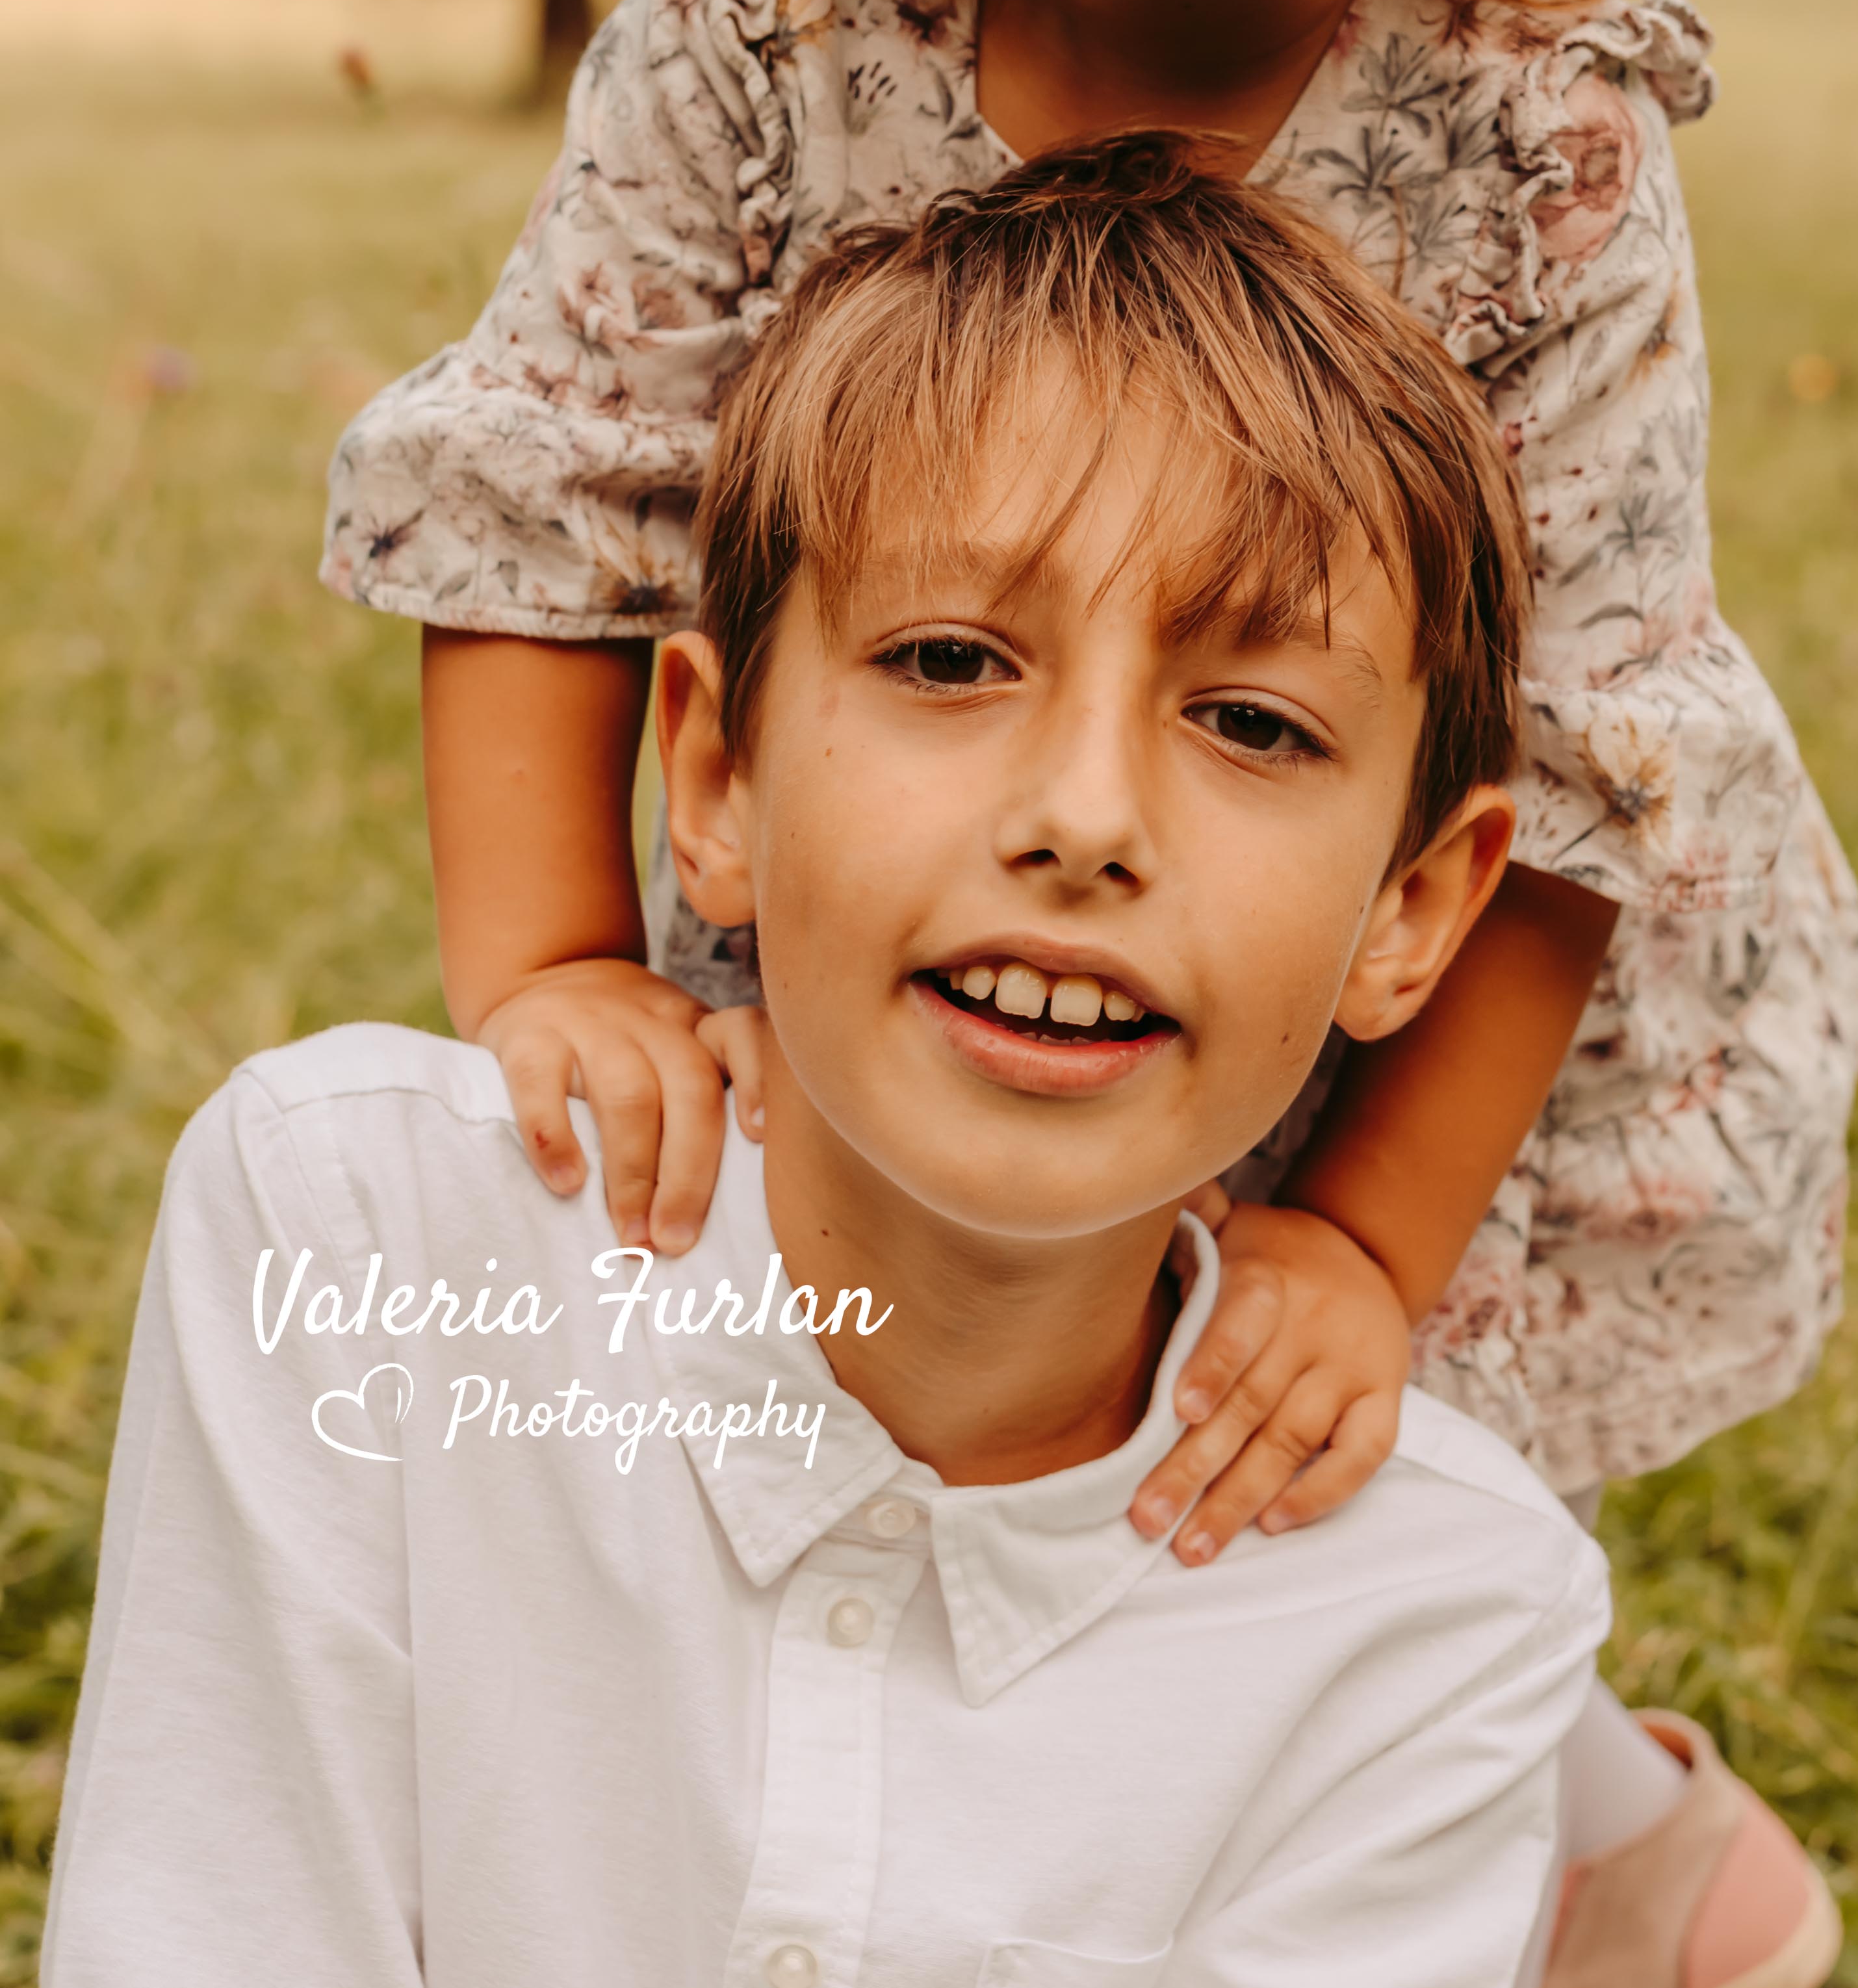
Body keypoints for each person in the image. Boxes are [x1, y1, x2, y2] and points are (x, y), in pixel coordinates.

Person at [325, 0, 1858, 1980]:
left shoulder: (1535, 137)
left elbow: (1577, 766)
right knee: (804, 1403)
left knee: (1263, 1472)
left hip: (1365, 983)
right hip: (913, 852)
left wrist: (1350, 1243)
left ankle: (1611, 1851)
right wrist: (552, 977)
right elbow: (554, 481)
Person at [50, 146, 1616, 1984]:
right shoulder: (363, 1250)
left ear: (1411, 910)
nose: (1087, 818)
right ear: (713, 776)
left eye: (1252, 720)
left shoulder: (1434, 1611)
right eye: (952, 658)